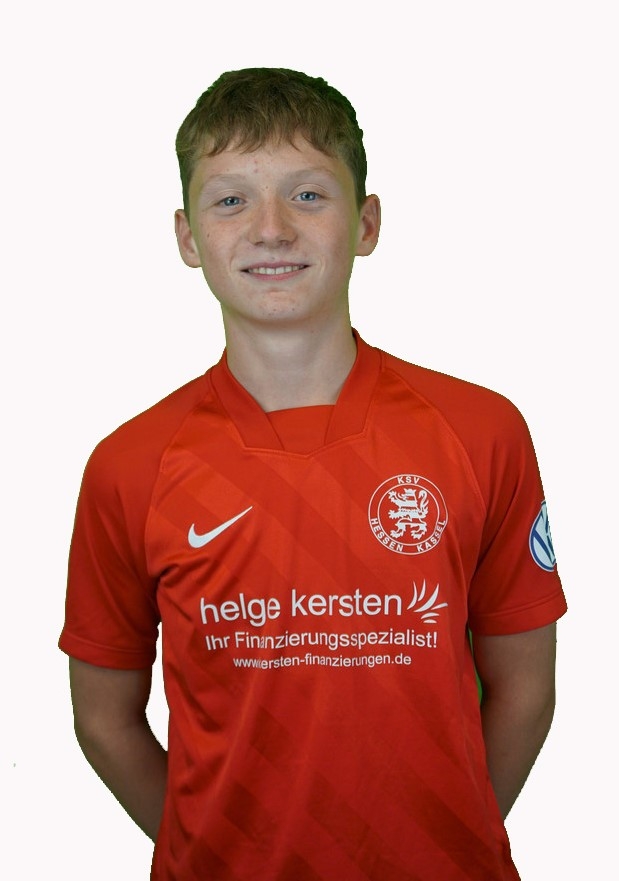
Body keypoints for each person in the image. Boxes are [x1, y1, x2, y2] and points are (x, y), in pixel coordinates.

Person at [59, 67, 567, 881]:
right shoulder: (130, 465)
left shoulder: (481, 432)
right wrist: (218, 852)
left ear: (365, 223)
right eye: (231, 200)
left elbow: (526, 690)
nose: (271, 229)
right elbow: (104, 719)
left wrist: (444, 844)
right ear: (187, 238)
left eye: (307, 195)